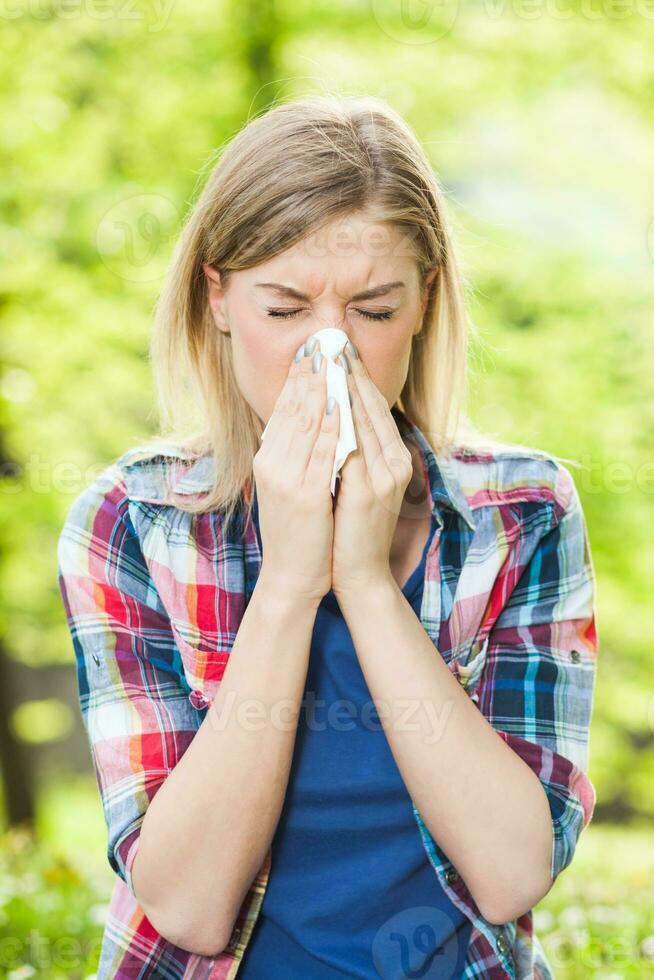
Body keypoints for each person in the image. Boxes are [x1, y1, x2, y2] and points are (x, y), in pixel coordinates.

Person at [57, 93, 599, 980]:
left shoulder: (524, 512)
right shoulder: (131, 522)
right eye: (285, 310)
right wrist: (289, 587)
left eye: (373, 311)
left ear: (425, 302)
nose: (330, 355)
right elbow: (188, 907)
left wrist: (369, 583)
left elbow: (511, 875)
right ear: (219, 298)